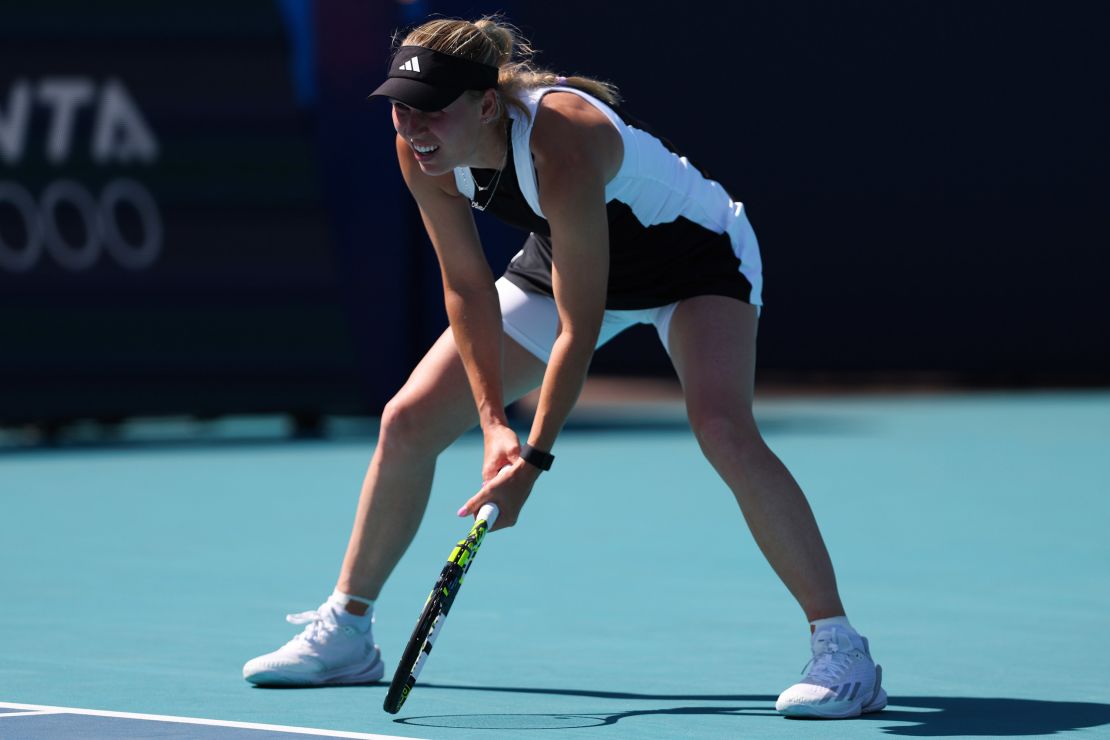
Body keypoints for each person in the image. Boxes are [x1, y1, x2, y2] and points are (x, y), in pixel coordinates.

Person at [242, 16, 887, 719]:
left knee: (723, 428)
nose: (414, 124)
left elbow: (580, 329)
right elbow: (465, 287)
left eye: (432, 109)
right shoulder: (417, 149)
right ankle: (348, 630)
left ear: (487, 104)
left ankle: (842, 651)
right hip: (563, 263)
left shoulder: (564, 140)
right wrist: (492, 424)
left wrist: (533, 460)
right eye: (402, 105)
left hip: (695, 265)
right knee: (408, 419)